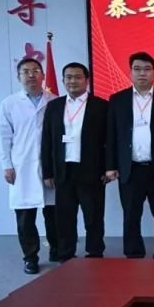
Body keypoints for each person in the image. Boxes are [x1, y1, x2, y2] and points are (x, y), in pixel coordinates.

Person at [105, 52, 154, 259]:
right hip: (130, 169)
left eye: (147, 69)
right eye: (137, 69)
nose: (142, 74)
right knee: (131, 216)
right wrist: (110, 165)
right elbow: (111, 135)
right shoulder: (118, 100)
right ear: (130, 72)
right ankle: (133, 254)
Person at [0, 57, 59, 274]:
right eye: (26, 71)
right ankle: (30, 257)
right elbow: (4, 137)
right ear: (19, 77)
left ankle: (56, 250)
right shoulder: (9, 103)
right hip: (21, 166)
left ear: (43, 75)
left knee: (54, 214)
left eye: (35, 71)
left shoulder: (55, 101)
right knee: (25, 218)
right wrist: (7, 165)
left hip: (50, 166)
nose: (31, 75)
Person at [41, 62, 108, 261]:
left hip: (91, 170)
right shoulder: (54, 106)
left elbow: (110, 140)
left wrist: (108, 168)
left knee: (93, 216)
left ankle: (95, 253)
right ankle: (66, 254)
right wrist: (48, 172)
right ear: (63, 80)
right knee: (64, 217)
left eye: (78, 77)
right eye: (68, 77)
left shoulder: (101, 106)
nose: (73, 81)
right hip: (63, 171)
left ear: (87, 80)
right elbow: (46, 141)